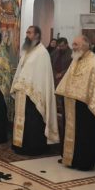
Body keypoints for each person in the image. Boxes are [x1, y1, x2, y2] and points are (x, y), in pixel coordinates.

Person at [56, 35, 95, 169]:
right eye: (73, 44)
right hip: (71, 103)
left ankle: (84, 161)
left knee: (84, 135)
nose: (73, 47)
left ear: (86, 45)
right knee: (71, 132)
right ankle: (70, 158)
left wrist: (91, 101)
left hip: (86, 107)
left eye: (76, 44)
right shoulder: (76, 59)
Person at [11, 26, 59, 155]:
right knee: (22, 120)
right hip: (22, 92)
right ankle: (19, 144)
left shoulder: (42, 53)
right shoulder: (27, 50)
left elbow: (41, 76)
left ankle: (33, 147)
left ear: (37, 35)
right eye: (27, 32)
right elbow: (21, 70)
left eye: (30, 33)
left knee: (33, 121)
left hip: (34, 95)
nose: (27, 35)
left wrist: (31, 88)